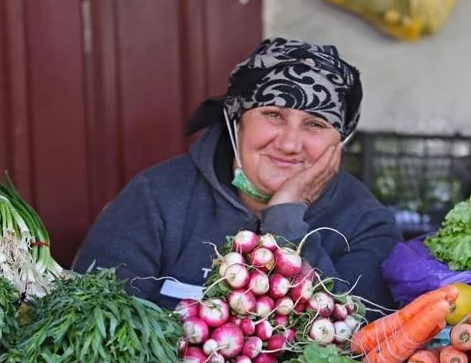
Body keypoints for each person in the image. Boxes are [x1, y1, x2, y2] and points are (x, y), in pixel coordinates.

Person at [72, 37, 401, 314]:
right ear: (236, 121)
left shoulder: (366, 224)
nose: (289, 144)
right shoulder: (155, 198)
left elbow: (359, 344)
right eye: (273, 114)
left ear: (340, 141)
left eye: (315, 124)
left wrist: (286, 220)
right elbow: (93, 321)